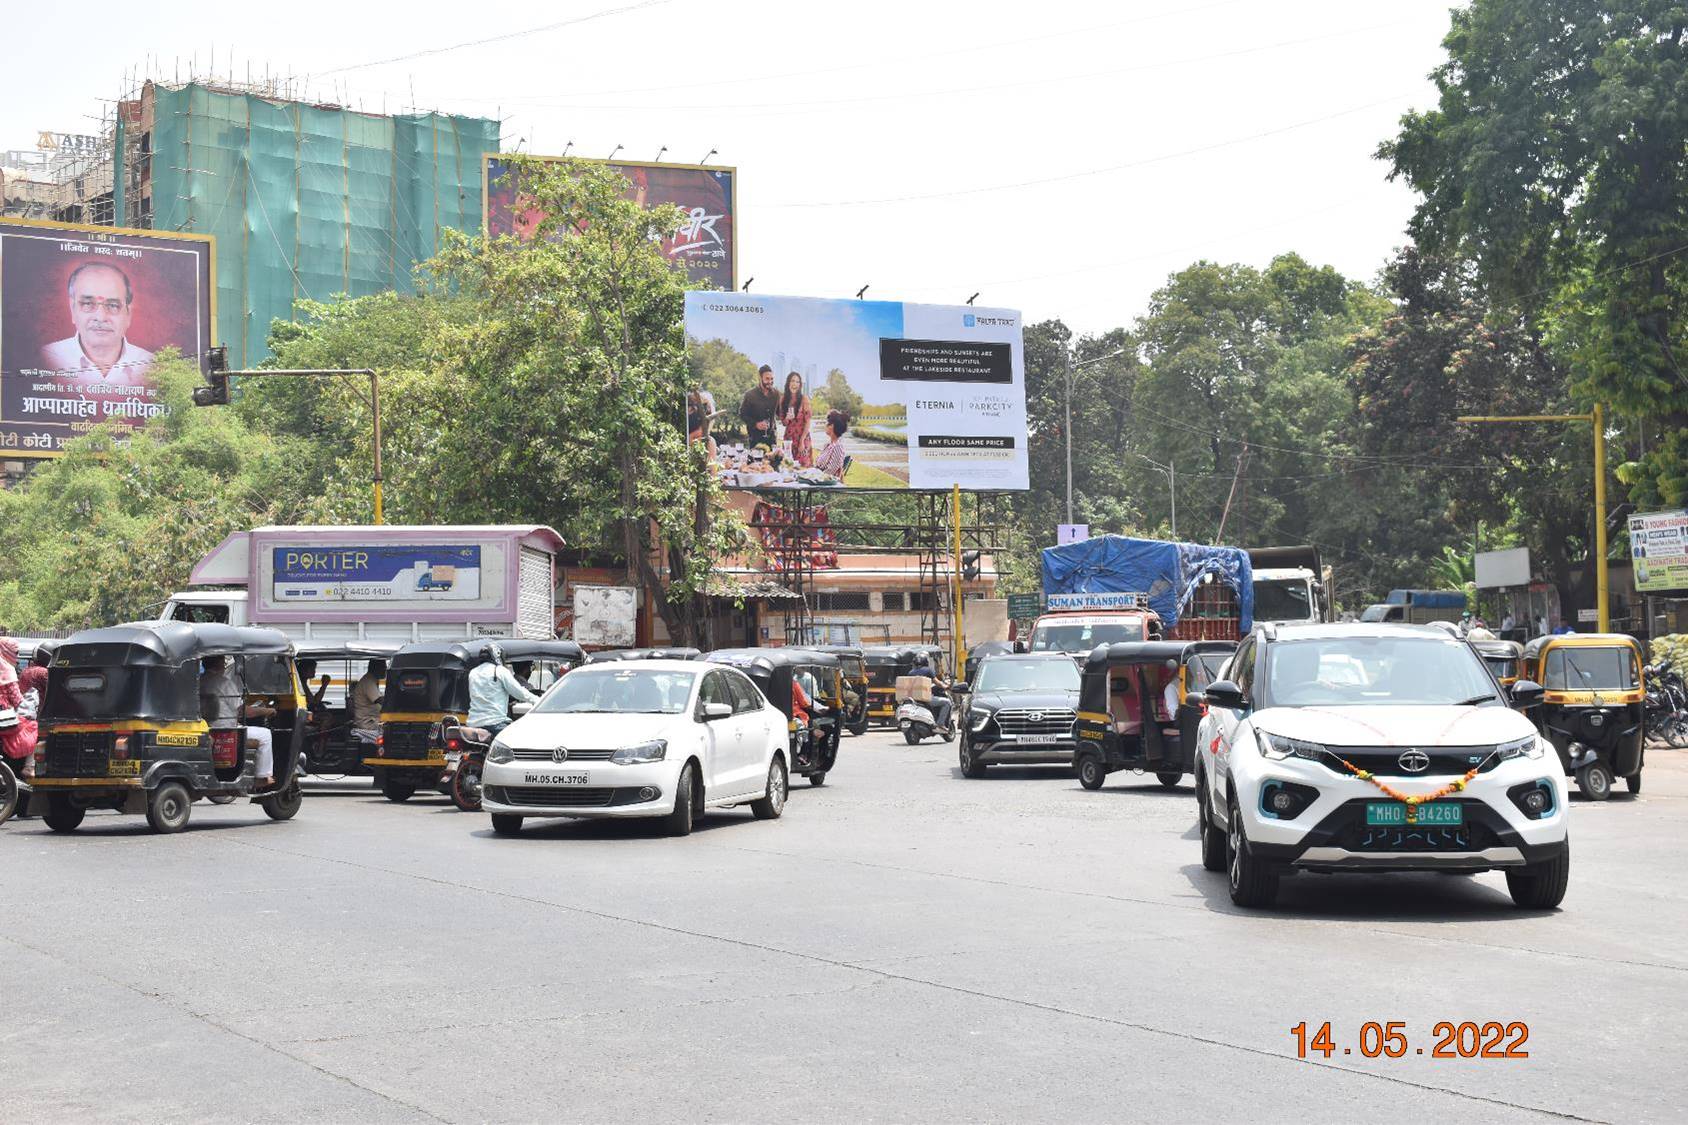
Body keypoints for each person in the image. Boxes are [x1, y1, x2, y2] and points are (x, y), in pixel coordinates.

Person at [40, 263, 155, 380]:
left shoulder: (153, 367)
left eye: (113, 305)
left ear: (128, 314)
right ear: (72, 309)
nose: (100, 317)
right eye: (88, 304)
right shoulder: (45, 358)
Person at [199, 655, 275, 785]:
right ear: (219, 663)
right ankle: (262, 777)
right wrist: (268, 711)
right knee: (266, 735)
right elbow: (242, 711)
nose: (224, 664)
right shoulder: (224, 683)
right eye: (223, 661)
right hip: (226, 729)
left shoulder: (199, 681)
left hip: (207, 728)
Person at [467, 645, 538, 735]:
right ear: (497, 656)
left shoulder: (473, 673)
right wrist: (538, 700)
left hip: (473, 723)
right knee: (522, 737)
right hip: (495, 723)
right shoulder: (500, 671)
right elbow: (519, 693)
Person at [0, 639, 34, 779]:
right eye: (16, 652)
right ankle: (29, 767)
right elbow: (17, 700)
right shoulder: (7, 670)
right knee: (33, 727)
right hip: (4, 720)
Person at [908, 653, 953, 733]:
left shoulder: (910, 673)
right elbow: (937, 683)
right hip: (926, 699)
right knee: (947, 702)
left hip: (914, 699)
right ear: (926, 662)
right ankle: (940, 724)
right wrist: (946, 686)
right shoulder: (928, 670)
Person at [777, 371, 814, 466]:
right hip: (788, 439)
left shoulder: (804, 399)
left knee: (803, 465)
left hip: (802, 437)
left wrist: (802, 441)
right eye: (792, 381)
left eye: (797, 382)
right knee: (788, 465)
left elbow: (808, 422)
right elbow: (784, 423)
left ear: (800, 385)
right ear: (788, 383)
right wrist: (787, 418)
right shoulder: (783, 399)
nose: (795, 384)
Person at [738, 364, 780, 445]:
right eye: (767, 379)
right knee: (756, 458)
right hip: (755, 438)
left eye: (772, 379)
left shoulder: (776, 394)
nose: (770, 382)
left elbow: (779, 412)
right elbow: (742, 414)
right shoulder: (750, 395)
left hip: (772, 439)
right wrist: (755, 424)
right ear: (760, 378)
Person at [348, 660, 385, 746]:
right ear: (375, 668)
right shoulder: (368, 681)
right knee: (392, 732)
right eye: (384, 668)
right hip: (368, 723)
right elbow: (380, 700)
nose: (385, 671)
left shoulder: (372, 680)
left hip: (372, 720)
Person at [814, 410, 850, 480]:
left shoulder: (837, 447)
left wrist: (813, 477)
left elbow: (830, 473)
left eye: (826, 423)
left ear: (832, 426)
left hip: (825, 484)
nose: (825, 425)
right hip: (818, 479)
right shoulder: (828, 445)